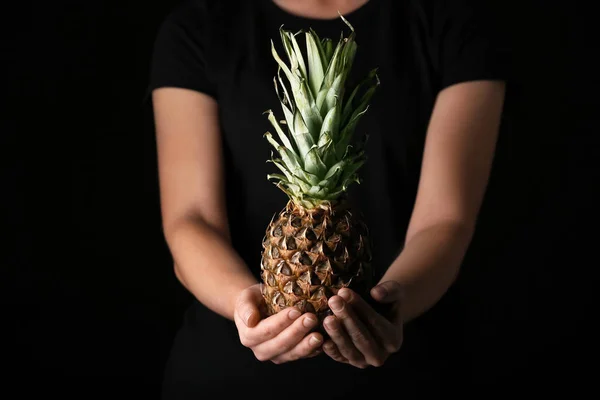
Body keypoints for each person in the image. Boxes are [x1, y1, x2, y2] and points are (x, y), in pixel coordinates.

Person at [148, 0, 510, 398]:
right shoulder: (198, 27)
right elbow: (190, 217)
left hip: (409, 371)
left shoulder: (454, 23)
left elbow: (447, 221)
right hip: (224, 379)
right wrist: (245, 307)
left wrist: (396, 303)